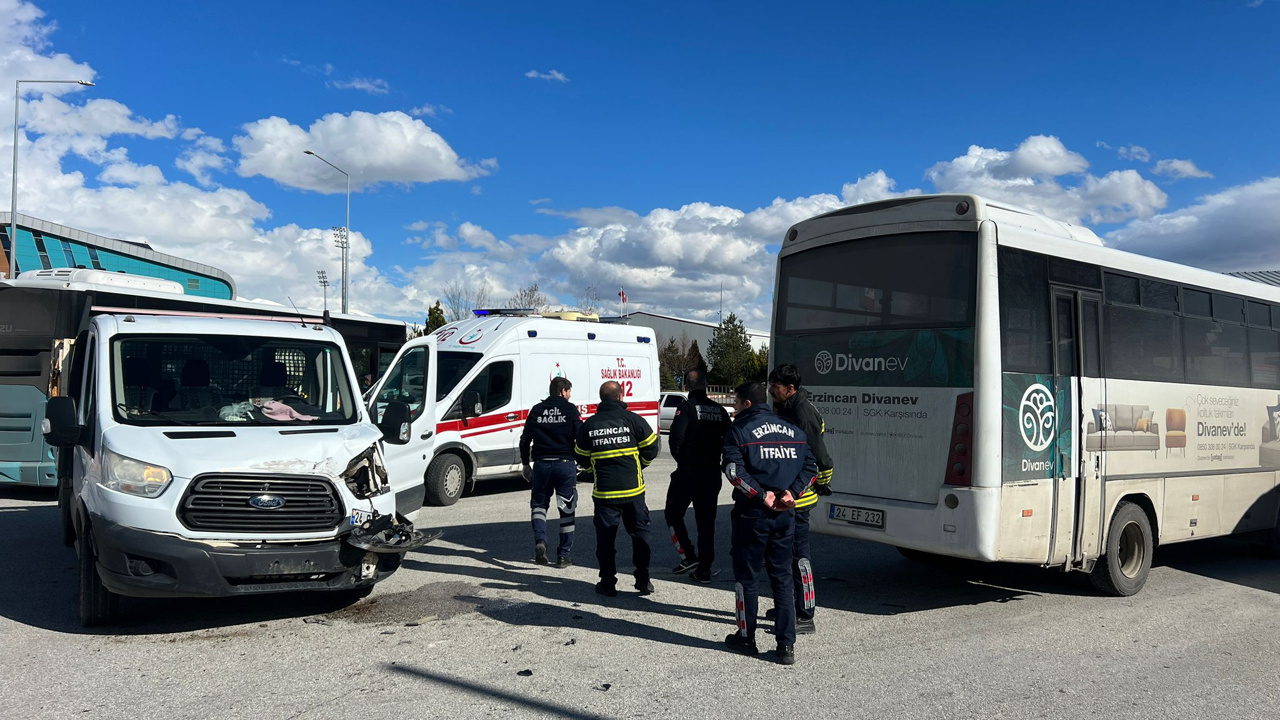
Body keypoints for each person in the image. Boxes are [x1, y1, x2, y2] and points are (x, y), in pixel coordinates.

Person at [721, 382, 817, 666]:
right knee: (782, 579)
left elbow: (733, 472)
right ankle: (785, 645)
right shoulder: (794, 430)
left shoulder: (738, 430)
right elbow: (811, 467)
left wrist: (763, 496)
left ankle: (746, 637)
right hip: (785, 514)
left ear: (747, 404)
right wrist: (793, 492)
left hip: (753, 514)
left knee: (747, 578)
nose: (734, 407)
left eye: (736, 402)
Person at [575, 381, 660, 597]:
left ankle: (607, 583)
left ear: (601, 398)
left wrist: (594, 468)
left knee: (606, 540)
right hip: (633, 491)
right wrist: (640, 465)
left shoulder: (590, 424)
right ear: (621, 396)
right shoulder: (633, 420)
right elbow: (652, 448)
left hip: (604, 494)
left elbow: (581, 458)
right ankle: (643, 579)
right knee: (640, 536)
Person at [767, 363, 833, 636]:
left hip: (800, 497)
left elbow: (821, 459)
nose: (771, 391)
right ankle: (790, 605)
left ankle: (806, 614)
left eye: (775, 387)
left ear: (790, 389)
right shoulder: (788, 408)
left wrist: (822, 484)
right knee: (783, 555)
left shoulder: (802, 414)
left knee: (799, 557)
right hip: (787, 495)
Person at [665, 370, 731, 583]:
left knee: (673, 514)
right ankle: (704, 568)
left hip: (688, 472)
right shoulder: (720, 410)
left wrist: (682, 462)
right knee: (706, 522)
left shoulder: (686, 408)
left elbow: (675, 438)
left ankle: (688, 554)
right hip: (711, 473)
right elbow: (729, 440)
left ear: (687, 386)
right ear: (706, 385)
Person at [520, 376, 583, 568]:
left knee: (539, 505)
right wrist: (581, 461)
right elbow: (580, 436)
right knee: (567, 510)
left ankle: (540, 541)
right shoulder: (570, 410)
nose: (570, 395)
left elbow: (525, 440)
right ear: (563, 391)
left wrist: (525, 464)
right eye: (569, 391)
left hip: (542, 465)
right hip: (565, 464)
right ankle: (563, 555)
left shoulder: (537, 410)